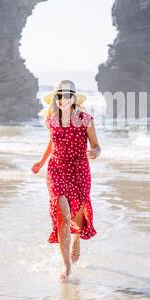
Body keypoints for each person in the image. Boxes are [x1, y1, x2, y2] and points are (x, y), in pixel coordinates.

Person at [31, 80, 101, 282]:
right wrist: (42, 162)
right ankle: (66, 266)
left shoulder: (85, 119)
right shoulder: (51, 119)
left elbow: (97, 145)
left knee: (77, 217)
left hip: (79, 169)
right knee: (63, 214)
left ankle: (77, 238)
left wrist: (94, 152)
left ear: (73, 98)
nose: (62, 99)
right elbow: (52, 143)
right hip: (57, 168)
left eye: (66, 95)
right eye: (59, 96)